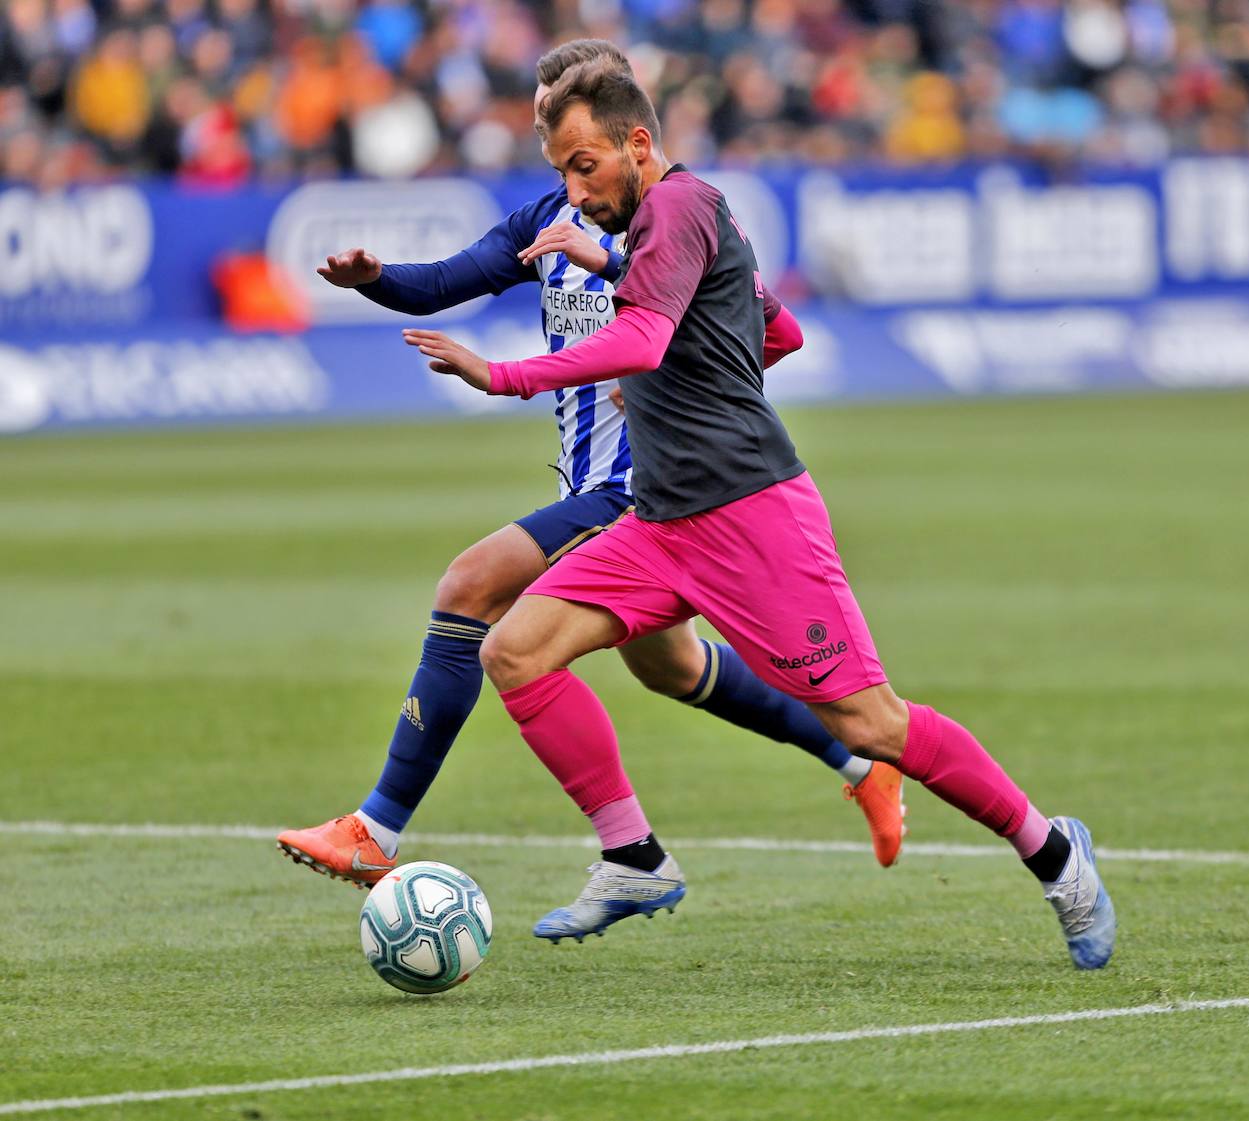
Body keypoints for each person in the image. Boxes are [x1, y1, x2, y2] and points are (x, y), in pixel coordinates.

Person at [402, 57, 1117, 968]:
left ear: (638, 144)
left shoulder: (685, 206)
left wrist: (501, 374)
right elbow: (777, 331)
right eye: (559, 175)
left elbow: (646, 335)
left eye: (585, 168)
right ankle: (634, 854)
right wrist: (675, 352)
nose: (573, 193)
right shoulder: (656, 230)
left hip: (753, 518)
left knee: (871, 724)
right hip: (660, 523)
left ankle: (1056, 856)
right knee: (513, 649)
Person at [275, 40, 907, 893]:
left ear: (616, 118)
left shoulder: (670, 224)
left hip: (647, 488)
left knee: (471, 585)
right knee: (673, 666)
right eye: (543, 110)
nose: (548, 122)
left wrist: (678, 392)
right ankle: (860, 762)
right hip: (591, 486)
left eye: (564, 108)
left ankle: (377, 826)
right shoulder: (547, 222)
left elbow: (776, 331)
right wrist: (374, 278)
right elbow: (441, 283)